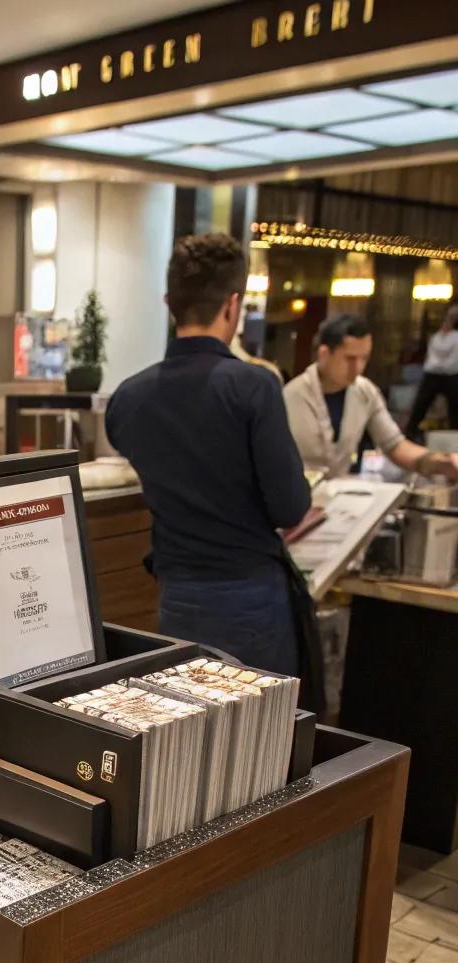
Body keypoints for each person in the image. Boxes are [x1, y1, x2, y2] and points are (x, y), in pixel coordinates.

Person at [105, 233, 312, 681]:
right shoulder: (254, 387)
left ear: (169, 303)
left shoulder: (128, 399)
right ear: (233, 306)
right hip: (250, 597)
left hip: (177, 596)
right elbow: (291, 506)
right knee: (259, 739)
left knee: (189, 727)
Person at [284, 315, 458, 482]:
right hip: (295, 499)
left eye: (364, 358)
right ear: (324, 354)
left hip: (339, 496)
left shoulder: (365, 391)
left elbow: (395, 445)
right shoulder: (289, 397)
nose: (357, 367)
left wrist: (442, 463)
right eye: (349, 359)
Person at [406, 305, 458, 441]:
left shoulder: (456, 338)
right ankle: (410, 432)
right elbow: (433, 356)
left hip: (451, 375)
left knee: (455, 406)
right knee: (421, 403)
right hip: (433, 374)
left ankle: (454, 433)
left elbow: (451, 359)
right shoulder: (436, 337)